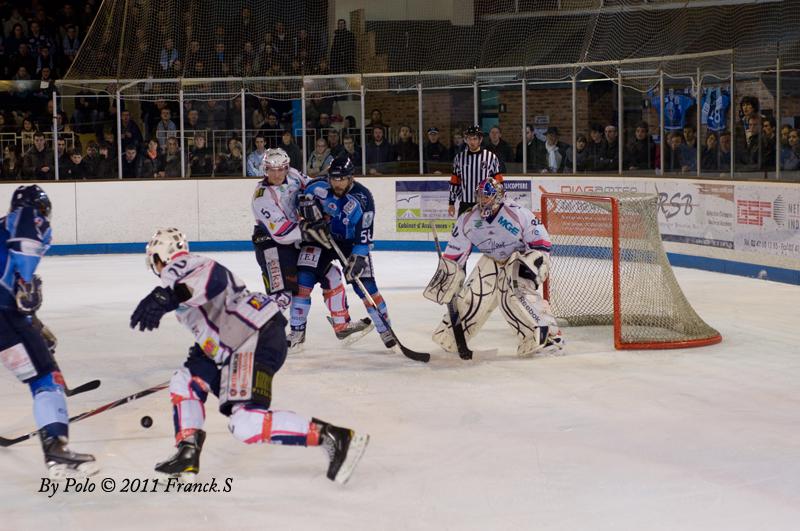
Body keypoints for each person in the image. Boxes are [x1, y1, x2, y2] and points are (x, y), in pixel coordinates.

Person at [129, 228, 368, 484]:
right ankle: (187, 450)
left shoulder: (177, 267)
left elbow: (210, 280)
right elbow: (213, 317)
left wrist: (165, 296)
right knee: (185, 379)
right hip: (251, 335)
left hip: (252, 337)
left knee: (245, 423)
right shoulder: (186, 274)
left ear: (160, 257)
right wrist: (199, 365)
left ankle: (335, 438)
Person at [0, 186, 98, 478]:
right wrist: (26, 283)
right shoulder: (26, 216)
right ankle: (55, 446)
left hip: (7, 314)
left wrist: (34, 324)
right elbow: (24, 247)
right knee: (45, 378)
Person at [424, 178, 563, 357]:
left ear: (498, 197)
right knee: (472, 297)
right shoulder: (467, 219)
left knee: (512, 296)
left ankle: (550, 336)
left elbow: (541, 242)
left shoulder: (517, 213)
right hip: (493, 260)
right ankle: (451, 337)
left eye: (487, 196)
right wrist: (448, 277)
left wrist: (532, 265)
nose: (483, 200)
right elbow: (454, 255)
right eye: (480, 196)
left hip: (520, 259)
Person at [251, 149, 373, 350]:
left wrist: (319, 203)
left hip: (297, 241)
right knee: (283, 297)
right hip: (272, 245)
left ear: (287, 167)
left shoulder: (293, 174)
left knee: (331, 275)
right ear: (265, 170)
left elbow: (312, 186)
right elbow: (281, 232)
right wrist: (310, 228)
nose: (277, 174)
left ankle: (341, 325)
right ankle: (250, 331)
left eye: (281, 169)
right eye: (271, 170)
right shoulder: (262, 197)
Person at [292, 157, 397, 350]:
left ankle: (385, 329)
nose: (337, 183)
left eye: (342, 179)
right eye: (334, 179)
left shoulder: (363, 198)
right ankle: (297, 331)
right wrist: (305, 214)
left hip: (351, 244)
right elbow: (297, 202)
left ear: (351, 178)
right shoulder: (317, 187)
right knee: (304, 278)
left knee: (366, 287)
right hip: (320, 241)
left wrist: (358, 257)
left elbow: (364, 236)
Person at [448, 125, 503, 217]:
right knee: (462, 226)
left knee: (485, 227)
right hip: (465, 203)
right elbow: (455, 182)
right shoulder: (459, 158)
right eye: (469, 139)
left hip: (485, 204)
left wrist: (498, 202)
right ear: (466, 140)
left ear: (480, 140)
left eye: (474, 139)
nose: (472, 142)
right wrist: (451, 203)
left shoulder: (490, 157)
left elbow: (498, 182)